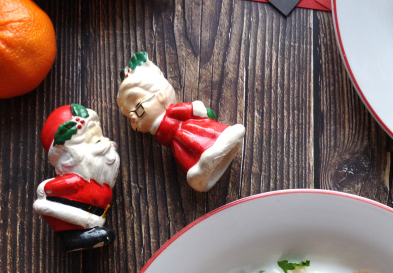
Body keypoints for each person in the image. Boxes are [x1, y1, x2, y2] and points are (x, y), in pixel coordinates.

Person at [116, 51, 245, 192]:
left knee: (203, 139)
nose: (133, 117)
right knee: (189, 158)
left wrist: (200, 111)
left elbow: (189, 110)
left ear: (160, 96)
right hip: (178, 146)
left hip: (189, 130)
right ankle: (200, 171)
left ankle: (217, 147)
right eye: (130, 116)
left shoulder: (171, 112)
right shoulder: (156, 132)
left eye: (137, 108)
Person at [33, 104, 120, 252]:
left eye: (98, 135)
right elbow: (51, 188)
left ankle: (88, 233)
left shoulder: (100, 174)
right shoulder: (77, 178)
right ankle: (73, 238)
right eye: (91, 138)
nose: (102, 144)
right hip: (73, 213)